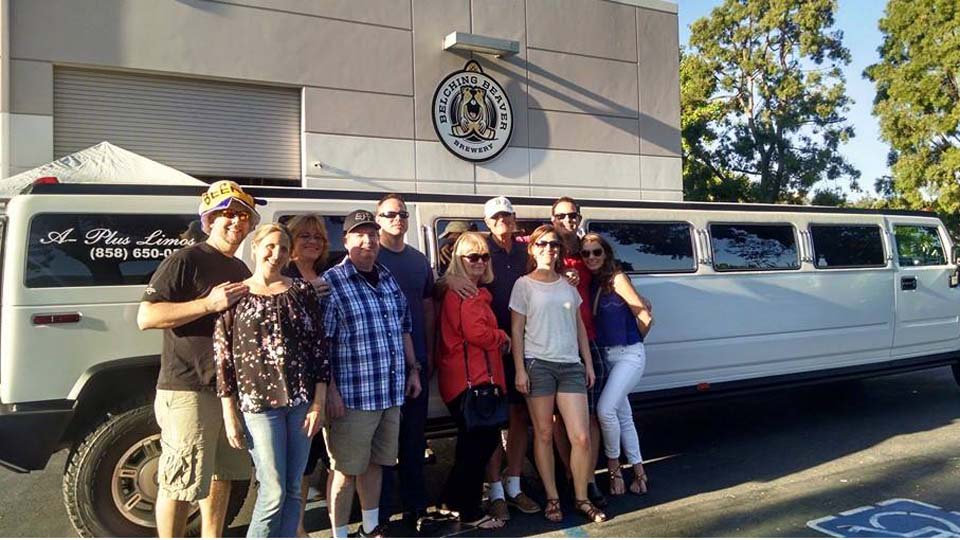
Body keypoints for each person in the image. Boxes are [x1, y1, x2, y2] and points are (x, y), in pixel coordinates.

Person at [136, 180, 259, 538]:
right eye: (227, 215)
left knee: (223, 473)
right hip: (188, 387)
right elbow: (147, 317)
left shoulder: (238, 269)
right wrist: (208, 303)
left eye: (243, 216)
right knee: (180, 480)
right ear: (209, 220)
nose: (236, 222)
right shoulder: (185, 260)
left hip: (225, 391)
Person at [215, 223, 330, 537]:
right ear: (255, 247)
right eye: (270, 246)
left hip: (300, 403)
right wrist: (229, 415)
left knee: (294, 488)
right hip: (259, 406)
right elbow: (223, 360)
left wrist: (318, 404)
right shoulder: (234, 294)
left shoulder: (301, 291)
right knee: (273, 490)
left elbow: (318, 350)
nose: (276, 254)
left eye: (282, 248)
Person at [321, 209, 422, 538]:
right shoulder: (332, 282)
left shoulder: (387, 277)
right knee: (344, 471)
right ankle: (338, 534)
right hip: (352, 398)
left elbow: (404, 327)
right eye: (359, 235)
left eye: (372, 234)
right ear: (346, 239)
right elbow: (322, 344)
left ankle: (370, 526)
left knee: (377, 464)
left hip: (389, 392)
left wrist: (413, 371)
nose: (367, 241)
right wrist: (330, 392)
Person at [443, 196, 541, 522]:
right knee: (483, 432)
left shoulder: (526, 250)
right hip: (484, 360)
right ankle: (491, 492)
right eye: (496, 217)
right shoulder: (473, 259)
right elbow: (441, 279)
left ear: (514, 219)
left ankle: (510, 486)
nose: (503, 221)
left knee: (516, 419)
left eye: (508, 216)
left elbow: (550, 257)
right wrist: (450, 280)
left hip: (519, 349)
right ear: (487, 222)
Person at [509, 224, 607, 523]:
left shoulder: (569, 284)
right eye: (542, 244)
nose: (549, 249)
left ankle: (580, 497)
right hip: (538, 364)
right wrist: (520, 371)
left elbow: (579, 327)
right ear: (533, 248)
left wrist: (587, 364)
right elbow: (516, 331)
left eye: (553, 245)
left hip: (570, 366)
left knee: (581, 437)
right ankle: (553, 498)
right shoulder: (523, 285)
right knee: (544, 433)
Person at [436, 232, 510, 530]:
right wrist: (502, 336)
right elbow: (476, 334)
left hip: (467, 381)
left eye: (484, 256)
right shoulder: (468, 294)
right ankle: (469, 512)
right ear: (458, 260)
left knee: (472, 445)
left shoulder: (471, 291)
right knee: (479, 447)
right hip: (473, 382)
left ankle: (451, 501)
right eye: (472, 257)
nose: (479, 262)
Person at [374, 194, 435, 530]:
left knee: (413, 441)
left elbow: (427, 307)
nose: (397, 219)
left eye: (402, 214)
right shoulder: (369, 257)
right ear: (377, 218)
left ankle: (416, 509)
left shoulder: (418, 260)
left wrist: (430, 351)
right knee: (382, 445)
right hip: (380, 365)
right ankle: (380, 515)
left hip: (416, 362)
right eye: (389, 214)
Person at [581, 233, 654, 496]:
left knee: (605, 411)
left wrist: (635, 342)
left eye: (596, 252)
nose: (591, 257)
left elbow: (644, 316)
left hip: (629, 355)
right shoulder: (589, 283)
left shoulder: (617, 278)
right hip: (605, 357)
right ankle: (639, 472)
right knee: (624, 416)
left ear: (606, 253)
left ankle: (614, 470)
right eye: (586, 253)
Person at [550, 196, 607, 507]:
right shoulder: (545, 249)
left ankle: (588, 477)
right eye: (561, 215)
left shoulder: (589, 249)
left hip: (588, 340)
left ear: (580, 217)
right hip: (556, 343)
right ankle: (571, 475)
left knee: (591, 415)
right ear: (553, 218)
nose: (568, 220)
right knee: (561, 418)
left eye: (573, 215)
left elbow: (610, 269)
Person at [283, 214, 334, 538]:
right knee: (295, 459)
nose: (313, 241)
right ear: (290, 241)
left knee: (318, 455)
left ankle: (319, 525)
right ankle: (295, 527)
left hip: (325, 375)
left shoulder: (327, 275)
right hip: (293, 379)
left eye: (318, 237)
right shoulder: (281, 275)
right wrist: (304, 292)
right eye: (304, 236)